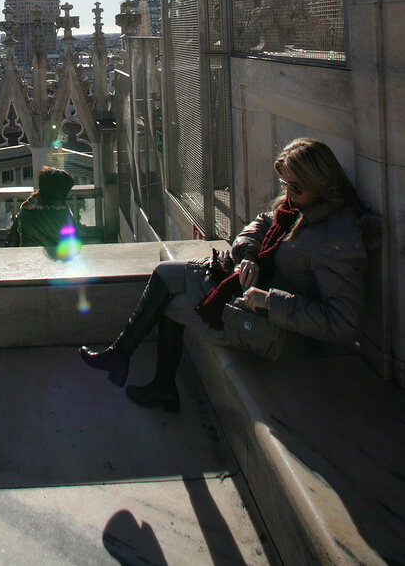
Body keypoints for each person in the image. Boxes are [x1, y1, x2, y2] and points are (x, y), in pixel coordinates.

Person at [79, 138, 368, 411]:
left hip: (276, 328)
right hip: (248, 287)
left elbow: (344, 324)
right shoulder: (296, 208)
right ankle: (121, 356)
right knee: (165, 273)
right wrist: (249, 257)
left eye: (295, 187)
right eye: (284, 184)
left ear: (318, 183)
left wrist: (270, 301)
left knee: (171, 306)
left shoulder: (335, 238)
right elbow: (258, 225)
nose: (287, 194)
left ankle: (160, 386)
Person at [7, 166, 78, 249]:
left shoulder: (24, 213)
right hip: (57, 260)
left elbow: (11, 245)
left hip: (28, 259)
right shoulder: (64, 215)